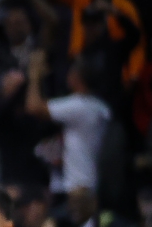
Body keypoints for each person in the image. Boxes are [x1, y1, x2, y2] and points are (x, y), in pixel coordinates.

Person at [25, 52, 111, 195]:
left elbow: (33, 107)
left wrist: (34, 76)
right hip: (88, 182)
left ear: (77, 77)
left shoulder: (80, 105)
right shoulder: (99, 106)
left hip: (79, 186)